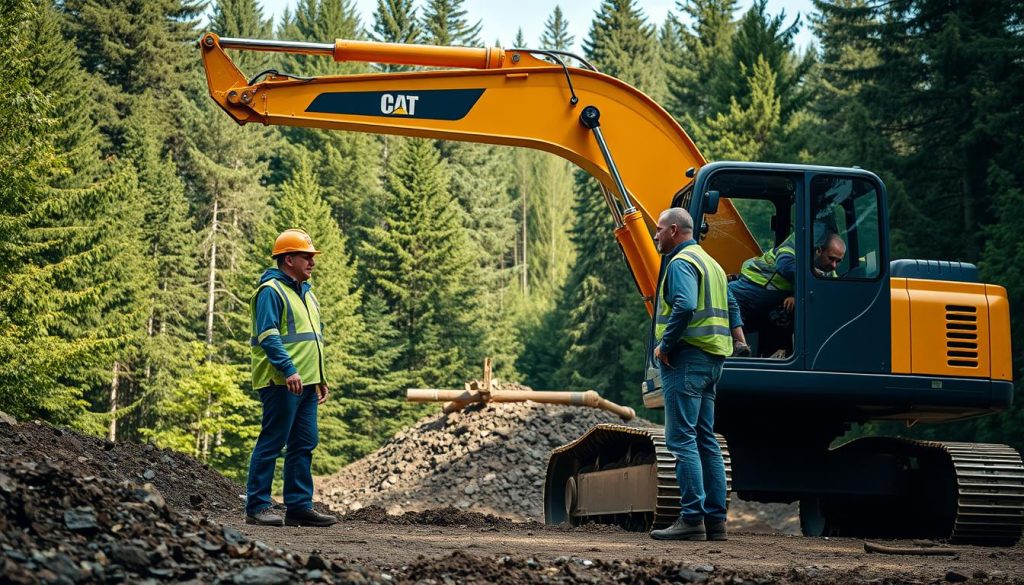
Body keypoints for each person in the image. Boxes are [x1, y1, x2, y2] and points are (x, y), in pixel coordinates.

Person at [648, 208, 734, 542]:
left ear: (673, 230)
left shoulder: (681, 263)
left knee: (682, 440)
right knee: (705, 439)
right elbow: (731, 305)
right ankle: (716, 522)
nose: (655, 235)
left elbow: (683, 305)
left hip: (685, 360)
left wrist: (666, 344)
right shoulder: (711, 263)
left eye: (658, 229)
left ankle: (691, 519)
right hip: (712, 362)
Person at [245, 228, 337, 527]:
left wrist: (320, 376)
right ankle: (257, 507)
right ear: (288, 260)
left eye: (312, 257)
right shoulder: (271, 290)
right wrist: (289, 369)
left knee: (304, 443)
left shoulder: (307, 293)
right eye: (306, 256)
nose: (312, 262)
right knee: (272, 441)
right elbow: (269, 335)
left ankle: (298, 507)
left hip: (307, 382)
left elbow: (312, 339)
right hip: (282, 381)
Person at [728, 232, 846, 354]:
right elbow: (785, 266)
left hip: (770, 298)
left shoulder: (829, 272)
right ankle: (740, 343)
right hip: (754, 285)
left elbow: (829, 291)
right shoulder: (791, 247)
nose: (834, 265)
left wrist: (796, 295)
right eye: (831, 259)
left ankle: (743, 345)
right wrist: (800, 291)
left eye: (838, 261)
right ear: (819, 251)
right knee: (725, 292)